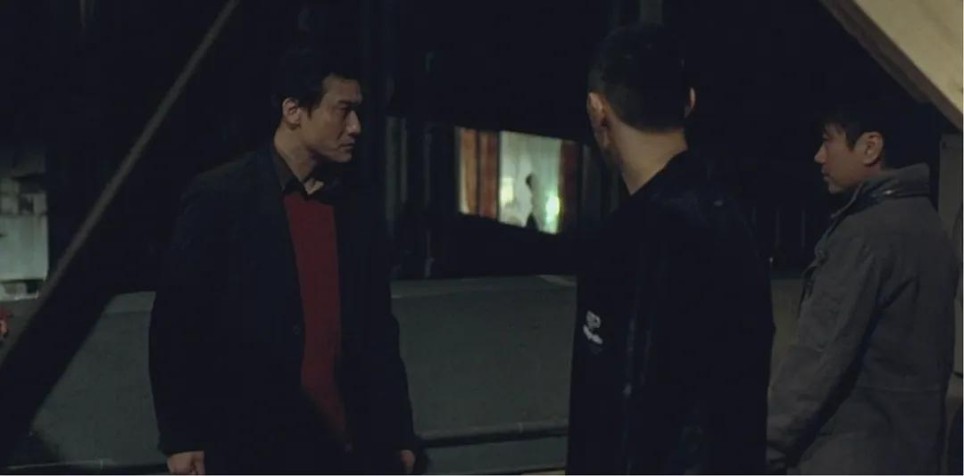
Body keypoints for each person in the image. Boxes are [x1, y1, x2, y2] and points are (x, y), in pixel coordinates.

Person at [149, 45, 420, 474]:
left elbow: (378, 331)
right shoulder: (221, 197)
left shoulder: (355, 206)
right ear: (294, 111)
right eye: (343, 111)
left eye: (358, 112)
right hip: (252, 446)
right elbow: (176, 325)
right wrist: (181, 437)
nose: (356, 127)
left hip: (346, 448)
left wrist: (398, 432)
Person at [567, 24, 774, 474]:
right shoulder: (734, 221)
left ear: (597, 109)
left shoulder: (629, 240)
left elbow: (618, 418)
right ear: (689, 102)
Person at [766, 99, 958, 474]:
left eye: (828, 141)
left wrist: (758, 450)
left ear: (870, 147)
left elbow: (816, 362)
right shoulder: (929, 225)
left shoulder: (865, 236)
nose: (819, 156)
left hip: (848, 457)